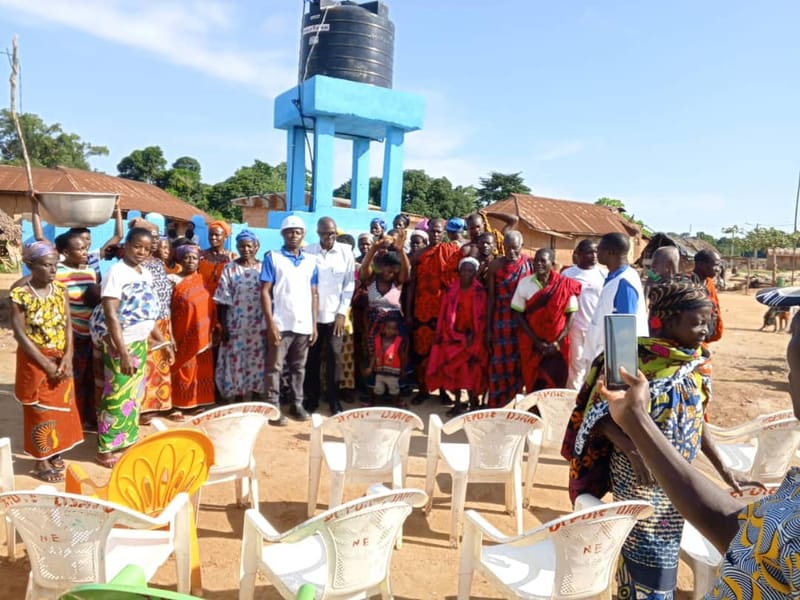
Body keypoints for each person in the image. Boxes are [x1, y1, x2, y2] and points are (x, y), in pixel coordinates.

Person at [598, 308, 800, 598]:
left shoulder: (695, 367)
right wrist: (635, 423)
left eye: (792, 368)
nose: (789, 380)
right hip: (645, 482)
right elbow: (750, 538)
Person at [562, 280, 743, 598]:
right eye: (698, 322)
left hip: (677, 479)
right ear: (669, 319)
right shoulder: (633, 359)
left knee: (664, 550)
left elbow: (697, 421)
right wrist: (632, 450)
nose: (705, 330)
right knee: (642, 551)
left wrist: (724, 468)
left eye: (708, 321)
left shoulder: (695, 364)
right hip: (638, 477)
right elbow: (598, 417)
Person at [89, 227, 173, 468]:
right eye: (137, 246)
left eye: (147, 249)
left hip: (139, 343)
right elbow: (111, 314)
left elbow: (148, 313)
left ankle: (124, 441)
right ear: (126, 245)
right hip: (121, 345)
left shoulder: (144, 273)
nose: (141, 252)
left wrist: (162, 341)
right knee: (115, 396)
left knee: (133, 397)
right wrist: (123, 351)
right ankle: (105, 450)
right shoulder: (116, 273)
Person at [10, 241, 83, 482]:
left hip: (60, 356)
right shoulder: (20, 294)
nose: (53, 270)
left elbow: (68, 325)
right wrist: (45, 363)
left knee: (62, 407)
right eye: (47, 265)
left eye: (55, 265)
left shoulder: (60, 290)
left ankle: (55, 450)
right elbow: (20, 333)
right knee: (38, 409)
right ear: (31, 265)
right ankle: (40, 460)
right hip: (34, 360)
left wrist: (69, 356)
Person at [260, 215, 319, 426]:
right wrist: (270, 323)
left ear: (303, 234)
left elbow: (314, 294)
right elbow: (265, 292)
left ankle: (297, 403)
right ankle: (272, 406)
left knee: (299, 367)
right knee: (274, 367)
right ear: (283, 234)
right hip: (280, 323)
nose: (293, 235)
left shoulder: (311, 261)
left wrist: (313, 325)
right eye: (289, 231)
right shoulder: (273, 258)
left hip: (303, 324)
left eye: (297, 231)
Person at [405, 217, 461, 405]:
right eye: (432, 231)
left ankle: (443, 390)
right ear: (428, 231)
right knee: (421, 352)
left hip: (443, 311)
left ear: (444, 233)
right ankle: (423, 389)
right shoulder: (418, 255)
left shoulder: (451, 251)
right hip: (421, 311)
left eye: (439, 231)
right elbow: (412, 285)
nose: (435, 234)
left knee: (443, 352)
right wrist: (409, 311)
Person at [303, 217, 355, 415]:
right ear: (318, 233)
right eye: (325, 233)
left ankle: (334, 399)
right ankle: (312, 399)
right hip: (312, 317)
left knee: (335, 356)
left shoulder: (345, 252)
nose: (329, 237)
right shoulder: (308, 252)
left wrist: (342, 312)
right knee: (312, 358)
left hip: (335, 316)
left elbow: (349, 285)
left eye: (332, 233)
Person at [580, 232, 649, 382]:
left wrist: (616, 374)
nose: (596, 254)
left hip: (613, 361)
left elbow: (624, 331)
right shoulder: (613, 277)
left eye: (599, 250)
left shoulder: (625, 282)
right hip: (601, 354)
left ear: (610, 252)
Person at [512, 248, 581, 391]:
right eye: (536, 260)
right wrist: (536, 342)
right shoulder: (525, 283)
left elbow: (571, 316)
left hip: (558, 345)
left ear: (552, 263)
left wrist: (556, 344)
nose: (538, 264)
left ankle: (553, 412)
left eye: (543, 261)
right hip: (532, 344)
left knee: (556, 382)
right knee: (534, 381)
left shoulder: (564, 285)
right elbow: (518, 314)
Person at [426, 257, 487, 414]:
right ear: (459, 272)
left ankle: (474, 403)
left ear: (475, 273)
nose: (466, 273)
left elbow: (482, 318)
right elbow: (445, 315)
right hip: (453, 337)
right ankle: (458, 403)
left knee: (473, 371)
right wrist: (453, 334)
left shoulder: (480, 291)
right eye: (463, 270)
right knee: (455, 372)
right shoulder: (451, 290)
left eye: (470, 270)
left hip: (474, 338)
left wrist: (473, 336)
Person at [53, 230, 100, 431]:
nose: (85, 252)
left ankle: (90, 416)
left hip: (92, 334)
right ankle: (74, 418)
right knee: (75, 379)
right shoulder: (57, 273)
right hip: (72, 334)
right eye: (79, 249)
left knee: (92, 377)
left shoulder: (89, 272)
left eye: (86, 248)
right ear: (65, 252)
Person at [214, 230, 267, 404]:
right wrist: (224, 326)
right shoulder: (230, 268)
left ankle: (252, 395)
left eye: (249, 246)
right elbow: (222, 299)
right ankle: (234, 396)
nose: (245, 249)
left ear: (256, 247)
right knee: (234, 359)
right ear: (237, 247)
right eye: (242, 246)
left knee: (255, 359)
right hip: (235, 323)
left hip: (257, 324)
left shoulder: (263, 268)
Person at [485, 230, 534, 408]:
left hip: (525, 324)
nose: (511, 252)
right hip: (501, 321)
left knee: (521, 364)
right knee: (499, 365)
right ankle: (496, 405)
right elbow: (491, 298)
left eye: (515, 248)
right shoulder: (495, 266)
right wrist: (489, 329)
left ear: (521, 246)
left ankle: (516, 404)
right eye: (507, 248)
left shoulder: (530, 264)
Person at [170, 244, 217, 417]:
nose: (190, 261)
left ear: (199, 261)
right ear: (180, 260)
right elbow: (167, 308)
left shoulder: (203, 281)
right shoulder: (172, 280)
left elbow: (212, 307)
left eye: (194, 258)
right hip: (181, 331)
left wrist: (214, 328)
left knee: (200, 369)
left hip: (203, 334)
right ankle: (177, 404)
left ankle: (197, 402)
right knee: (182, 367)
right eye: (187, 257)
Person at [139, 222, 175, 425]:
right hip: (147, 323)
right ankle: (143, 408)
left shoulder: (159, 264)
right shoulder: (138, 265)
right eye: (149, 237)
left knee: (161, 366)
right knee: (147, 367)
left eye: (156, 237)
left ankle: (158, 405)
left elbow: (165, 299)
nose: (154, 241)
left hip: (163, 320)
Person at [561, 239, 607, 389]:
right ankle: (573, 402)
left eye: (595, 252)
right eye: (589, 252)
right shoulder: (568, 274)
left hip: (598, 329)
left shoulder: (604, 274)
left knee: (594, 366)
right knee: (577, 366)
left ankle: (589, 400)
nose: (594, 255)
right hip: (576, 328)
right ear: (578, 254)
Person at [362, 314, 406, 407]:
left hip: (393, 373)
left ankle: (395, 405)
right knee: (378, 389)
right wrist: (370, 367)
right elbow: (374, 355)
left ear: (397, 331)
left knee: (394, 390)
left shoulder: (398, 342)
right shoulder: (378, 340)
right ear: (383, 328)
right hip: (380, 372)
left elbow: (402, 357)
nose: (390, 331)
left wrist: (402, 370)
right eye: (388, 328)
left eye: (393, 329)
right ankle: (376, 405)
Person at [693, 249, 724, 343]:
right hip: (691, 337)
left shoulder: (708, 282)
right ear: (701, 264)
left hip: (704, 334)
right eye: (715, 265)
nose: (718, 269)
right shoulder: (688, 284)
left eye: (719, 265)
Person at [198, 220, 235, 295]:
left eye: (217, 235)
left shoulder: (232, 258)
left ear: (225, 237)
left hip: (224, 299)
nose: (213, 237)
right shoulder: (200, 255)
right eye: (210, 235)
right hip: (202, 297)